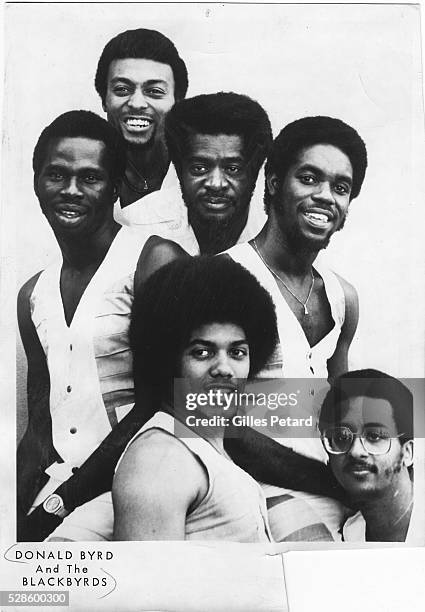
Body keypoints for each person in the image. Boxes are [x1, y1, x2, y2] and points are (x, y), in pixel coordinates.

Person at [48, 256, 279, 541]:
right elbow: (150, 584)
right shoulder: (160, 457)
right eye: (202, 352)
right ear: (169, 359)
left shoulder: (203, 445)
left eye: (237, 352)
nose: (224, 369)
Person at [225, 116, 368, 540]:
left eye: (340, 188)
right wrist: (333, 482)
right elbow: (214, 424)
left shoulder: (343, 297)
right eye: (309, 178)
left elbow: (345, 412)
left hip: (334, 492)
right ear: (273, 183)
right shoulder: (225, 278)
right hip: (257, 493)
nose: (325, 196)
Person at [17, 110, 147, 523]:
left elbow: (164, 403)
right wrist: (15, 513)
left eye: (90, 178)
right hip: (60, 491)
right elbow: (41, 425)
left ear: (114, 189)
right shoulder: (32, 294)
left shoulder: (151, 261)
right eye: (56, 175)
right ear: (37, 182)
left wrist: (59, 506)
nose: (71, 190)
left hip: (136, 486)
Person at [117, 91, 272, 257]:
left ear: (254, 172)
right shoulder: (135, 225)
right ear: (179, 169)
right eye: (200, 168)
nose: (216, 184)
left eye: (232, 169)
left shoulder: (273, 231)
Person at [319, 369, 420, 542]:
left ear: (408, 452)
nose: (355, 451)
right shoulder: (351, 534)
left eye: (374, 436)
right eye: (342, 437)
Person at [95, 28, 188, 208]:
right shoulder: (84, 173)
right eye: (122, 89)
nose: (137, 103)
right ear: (104, 99)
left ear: (177, 102)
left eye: (154, 91)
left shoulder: (204, 173)